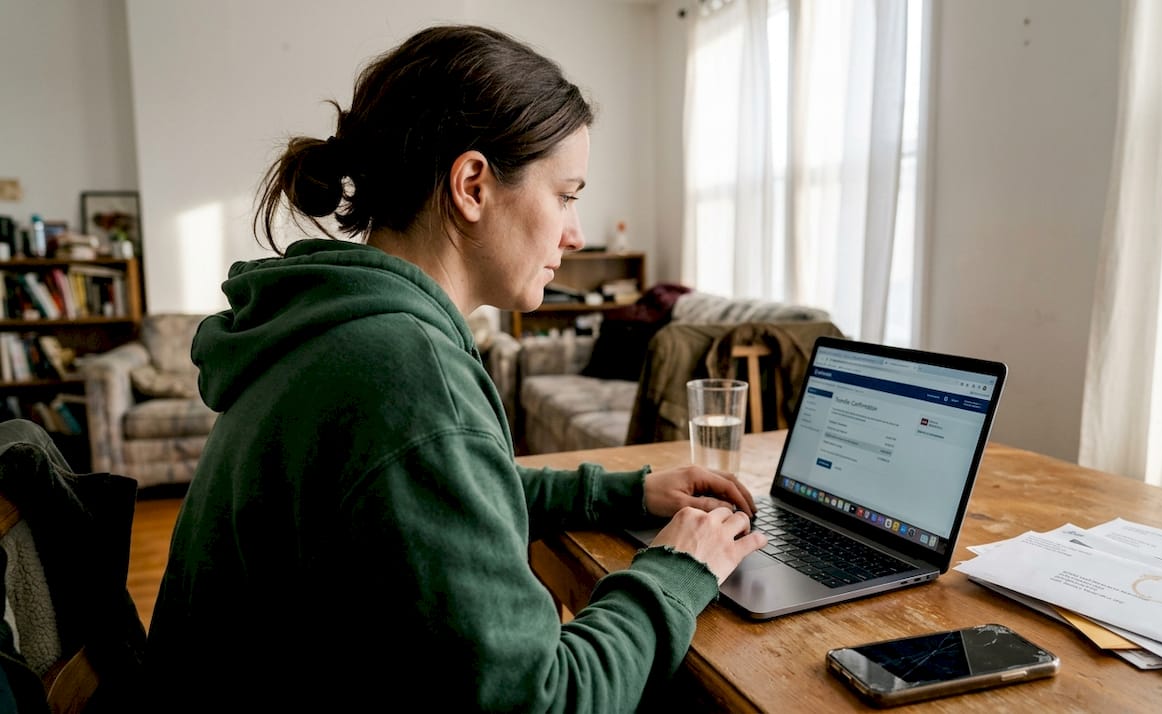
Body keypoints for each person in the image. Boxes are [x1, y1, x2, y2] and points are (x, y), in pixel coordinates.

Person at [142, 24, 766, 711]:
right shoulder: (403, 374)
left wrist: (625, 494)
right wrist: (676, 570)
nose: (576, 233)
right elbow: (545, 701)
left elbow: (451, 493)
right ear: (472, 185)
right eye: (565, 194)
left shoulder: (343, 329)